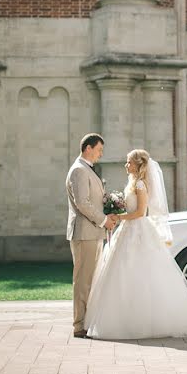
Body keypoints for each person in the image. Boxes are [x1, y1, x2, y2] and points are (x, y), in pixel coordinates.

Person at [84, 148, 187, 339]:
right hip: (128, 230)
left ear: (138, 164)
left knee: (140, 272)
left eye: (129, 162)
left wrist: (119, 216)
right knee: (121, 271)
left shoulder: (141, 185)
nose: (126, 165)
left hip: (138, 229)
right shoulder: (132, 182)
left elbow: (140, 212)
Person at [66, 133, 118, 339]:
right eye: (99, 150)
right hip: (84, 233)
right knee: (83, 280)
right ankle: (79, 326)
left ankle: (86, 321)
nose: (100, 154)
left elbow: (93, 201)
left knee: (90, 279)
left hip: (93, 232)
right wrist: (104, 220)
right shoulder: (79, 170)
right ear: (88, 148)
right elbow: (83, 203)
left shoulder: (87, 170)